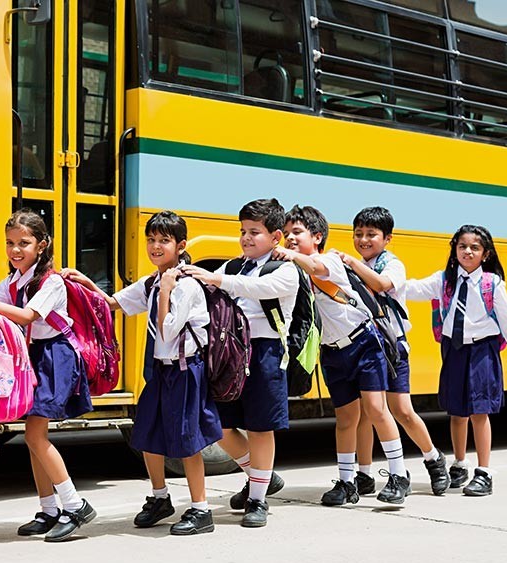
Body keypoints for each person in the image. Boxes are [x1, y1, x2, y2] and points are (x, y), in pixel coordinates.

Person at [65, 210, 222, 535]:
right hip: (162, 372)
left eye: (164, 240)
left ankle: (201, 509)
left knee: (187, 440)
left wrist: (166, 290)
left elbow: (167, 331)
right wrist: (86, 283)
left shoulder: (186, 285)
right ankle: (159, 497)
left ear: (181, 245)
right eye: (151, 240)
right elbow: (113, 302)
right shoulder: (153, 281)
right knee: (148, 434)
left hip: (184, 371)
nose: (155, 246)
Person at [0, 209, 96, 542]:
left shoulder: (52, 282)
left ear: (42, 244)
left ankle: (75, 506)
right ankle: (49, 510)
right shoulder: (11, 281)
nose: (15, 250)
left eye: (24, 243)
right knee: (33, 437)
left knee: (36, 435)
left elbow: (26, 315)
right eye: (10, 243)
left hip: (56, 357)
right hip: (33, 356)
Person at [274, 205, 411, 506]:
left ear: (317, 236)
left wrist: (290, 255)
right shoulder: (293, 270)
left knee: (376, 409)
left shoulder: (330, 261)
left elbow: (316, 268)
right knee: (345, 418)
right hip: (333, 351)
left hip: (363, 343)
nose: (290, 239)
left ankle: (398, 476)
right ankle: (347, 482)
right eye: (285, 235)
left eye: (297, 233)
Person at [180, 198, 295, 527]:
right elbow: (206, 286)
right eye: (243, 231)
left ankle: (257, 500)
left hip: (266, 354)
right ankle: (261, 476)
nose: (246, 238)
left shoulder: (285, 271)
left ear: (275, 237)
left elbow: (258, 288)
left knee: (260, 428)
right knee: (219, 425)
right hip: (231, 355)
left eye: (254, 232)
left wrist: (217, 280)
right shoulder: (232, 266)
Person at [405, 224, 507, 496]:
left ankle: (484, 472)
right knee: (456, 411)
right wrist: (383, 283)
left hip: (482, 351)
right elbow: (413, 289)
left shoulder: (492, 284)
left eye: (474, 247)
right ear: (454, 250)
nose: (468, 251)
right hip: (454, 350)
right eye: (462, 246)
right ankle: (460, 463)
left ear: (485, 254)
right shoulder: (444, 281)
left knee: (479, 412)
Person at [330, 207, 449, 496]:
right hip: (366, 348)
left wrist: (349, 262)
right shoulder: (357, 264)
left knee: (402, 411)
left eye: (371, 234)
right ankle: (364, 474)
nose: (363, 240)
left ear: (387, 238)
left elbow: (382, 284)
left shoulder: (392, 264)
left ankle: (434, 459)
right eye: (358, 234)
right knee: (366, 413)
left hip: (392, 350)